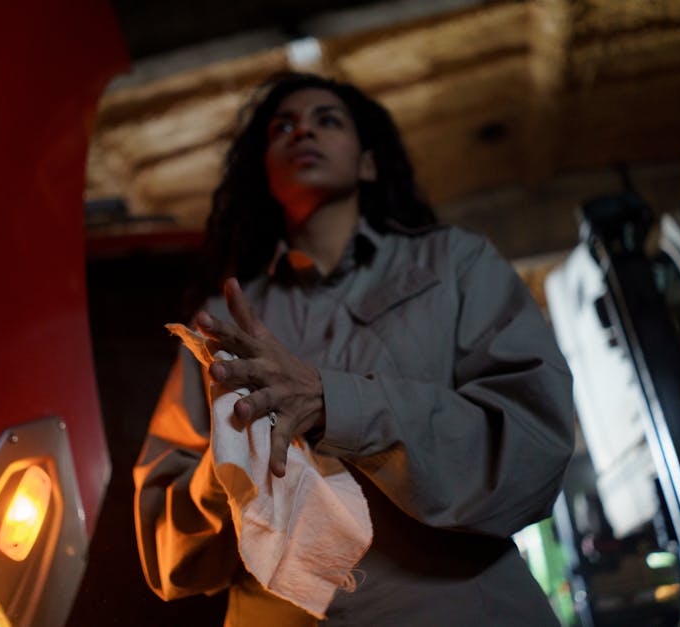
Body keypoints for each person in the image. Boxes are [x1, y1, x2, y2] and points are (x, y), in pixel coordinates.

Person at [133, 72, 574, 626]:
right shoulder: (223, 322)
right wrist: (231, 467)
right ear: (265, 175)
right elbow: (167, 555)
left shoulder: (455, 265)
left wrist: (333, 404)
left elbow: (531, 454)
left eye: (327, 120)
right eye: (283, 127)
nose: (302, 133)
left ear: (367, 163)